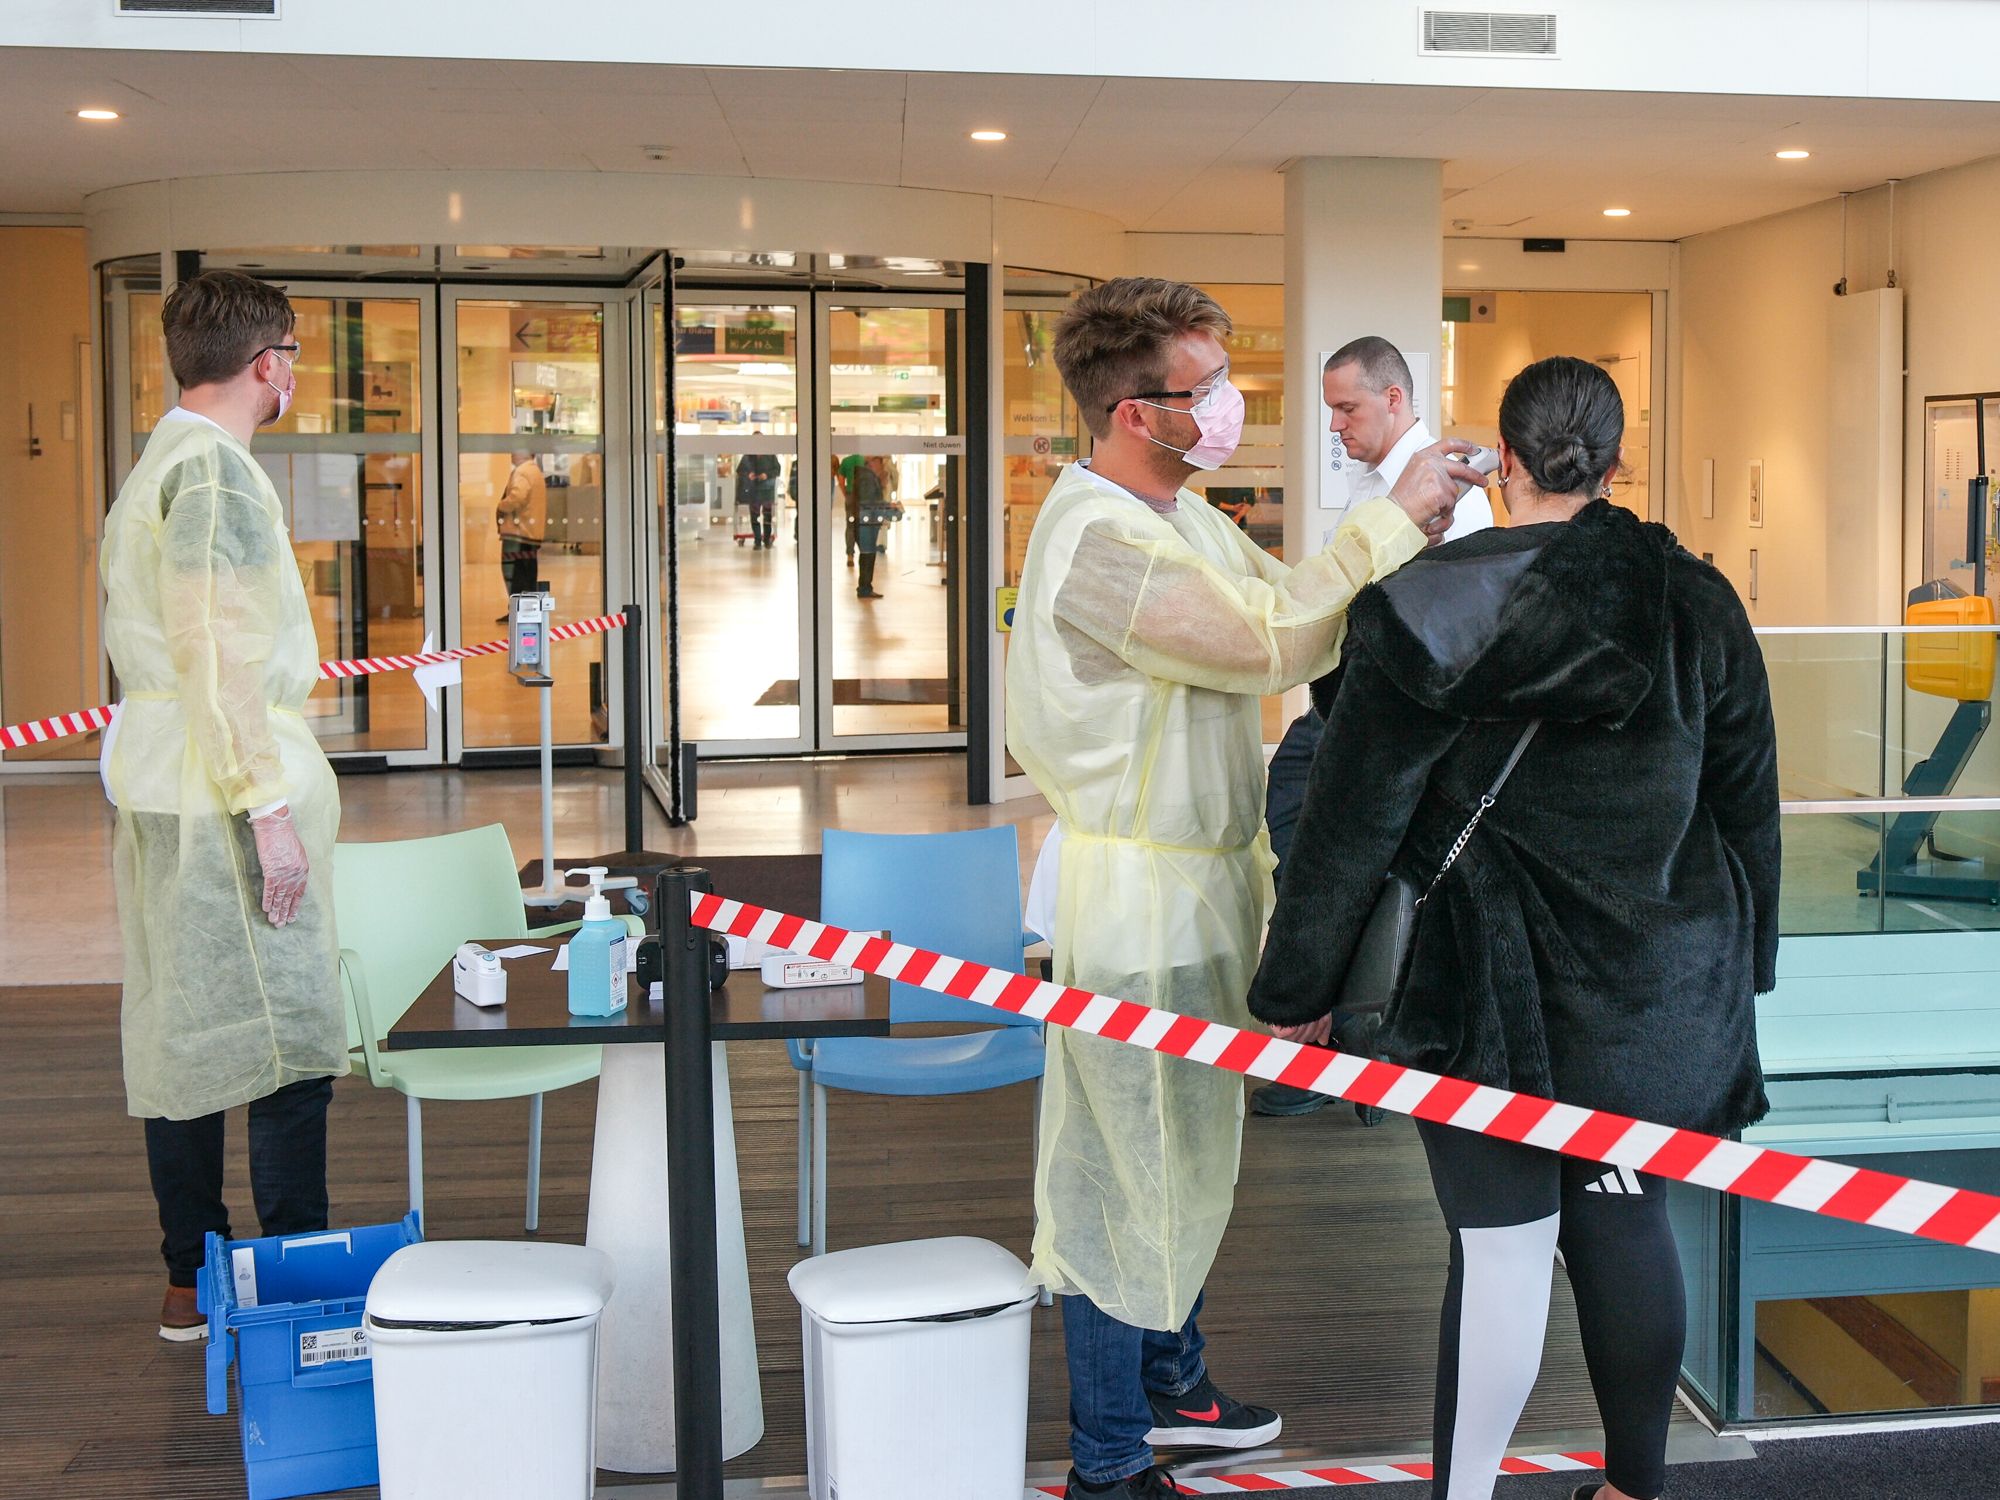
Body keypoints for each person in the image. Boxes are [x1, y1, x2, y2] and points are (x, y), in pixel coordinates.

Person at [1249, 356, 1780, 1500]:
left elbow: (1350, 821)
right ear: (1614, 453)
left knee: (1496, 1253)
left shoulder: (1423, 603)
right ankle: (1631, 1485)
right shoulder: (1694, 598)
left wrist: (1294, 984)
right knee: (1627, 1228)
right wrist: (1751, 968)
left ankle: (1468, 1494)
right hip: (1657, 989)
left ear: (1501, 452)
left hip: (1479, 989)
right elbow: (1745, 798)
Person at [1006, 277, 1482, 1500]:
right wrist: (1395, 510)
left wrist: (1410, 530)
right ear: (1131, 411)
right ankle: (1112, 1461)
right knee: (1124, 1179)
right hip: (1131, 908)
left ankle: (1176, 1386)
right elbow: (1264, 638)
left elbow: (1294, 616)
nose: (1223, 408)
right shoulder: (1099, 546)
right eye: (1202, 389)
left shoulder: (1179, 516)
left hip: (1201, 886)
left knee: (1187, 1154)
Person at [100, 270, 348, 1342]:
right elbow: (220, 654)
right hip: (221, 794)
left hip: (162, 781)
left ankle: (189, 1282)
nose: (293, 371)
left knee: (185, 1041)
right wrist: (269, 810)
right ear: (267, 363)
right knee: (289, 1052)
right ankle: (297, 1289)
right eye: (291, 353)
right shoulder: (217, 478)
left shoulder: (155, 462)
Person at [1253, 335, 1495, 1118]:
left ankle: (1330, 1038)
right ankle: (1321, 1031)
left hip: (1396, 723)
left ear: (1395, 399)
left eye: (1347, 407)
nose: (1336, 425)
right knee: (1296, 830)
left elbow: (1450, 628)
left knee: (1325, 849)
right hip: (1349, 709)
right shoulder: (1380, 496)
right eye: (1330, 410)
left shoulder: (1453, 491)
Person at [495, 451, 546, 617]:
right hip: (531, 532)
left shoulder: (522, 472)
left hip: (518, 532)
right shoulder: (535, 471)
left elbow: (517, 497)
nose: (511, 454)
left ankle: (517, 609)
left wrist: (501, 506)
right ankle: (527, 609)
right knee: (528, 571)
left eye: (515, 451)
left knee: (513, 572)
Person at [847, 453, 895, 599]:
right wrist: (888, 505)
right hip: (865, 522)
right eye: (880, 463)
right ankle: (864, 588)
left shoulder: (865, 476)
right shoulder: (867, 477)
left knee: (867, 554)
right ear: (874, 463)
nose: (882, 467)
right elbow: (869, 501)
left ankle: (865, 587)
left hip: (864, 520)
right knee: (868, 554)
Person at [735, 437, 781, 548]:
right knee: (754, 516)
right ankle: (757, 540)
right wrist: (748, 474)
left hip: (767, 491)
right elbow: (740, 470)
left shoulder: (770, 455)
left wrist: (767, 475)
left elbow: (777, 470)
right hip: (753, 490)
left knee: (767, 515)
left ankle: (767, 539)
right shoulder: (748, 456)